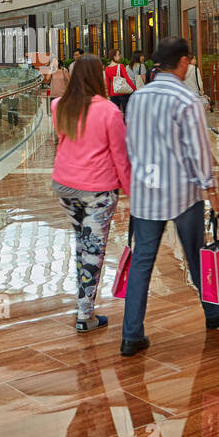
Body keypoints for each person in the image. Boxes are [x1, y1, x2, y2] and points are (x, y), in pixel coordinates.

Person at [120, 36, 219, 357]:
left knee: (142, 262)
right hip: (182, 191)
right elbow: (198, 150)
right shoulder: (186, 99)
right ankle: (214, 312)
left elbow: (130, 145)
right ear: (184, 62)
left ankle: (131, 335)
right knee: (196, 254)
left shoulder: (138, 98)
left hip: (146, 192)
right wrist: (211, 190)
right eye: (189, 60)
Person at [51, 53, 130, 332]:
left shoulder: (59, 106)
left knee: (83, 245)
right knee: (92, 250)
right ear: (98, 77)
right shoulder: (109, 110)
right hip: (97, 189)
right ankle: (85, 315)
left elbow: (62, 140)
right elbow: (120, 156)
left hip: (65, 187)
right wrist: (130, 190)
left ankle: (84, 305)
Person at [105, 49, 135, 114]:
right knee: (126, 112)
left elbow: (107, 83)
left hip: (113, 93)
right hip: (123, 92)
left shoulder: (107, 68)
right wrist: (134, 89)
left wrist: (109, 95)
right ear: (114, 56)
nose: (120, 56)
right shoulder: (120, 66)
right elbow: (127, 79)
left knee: (116, 113)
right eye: (118, 55)